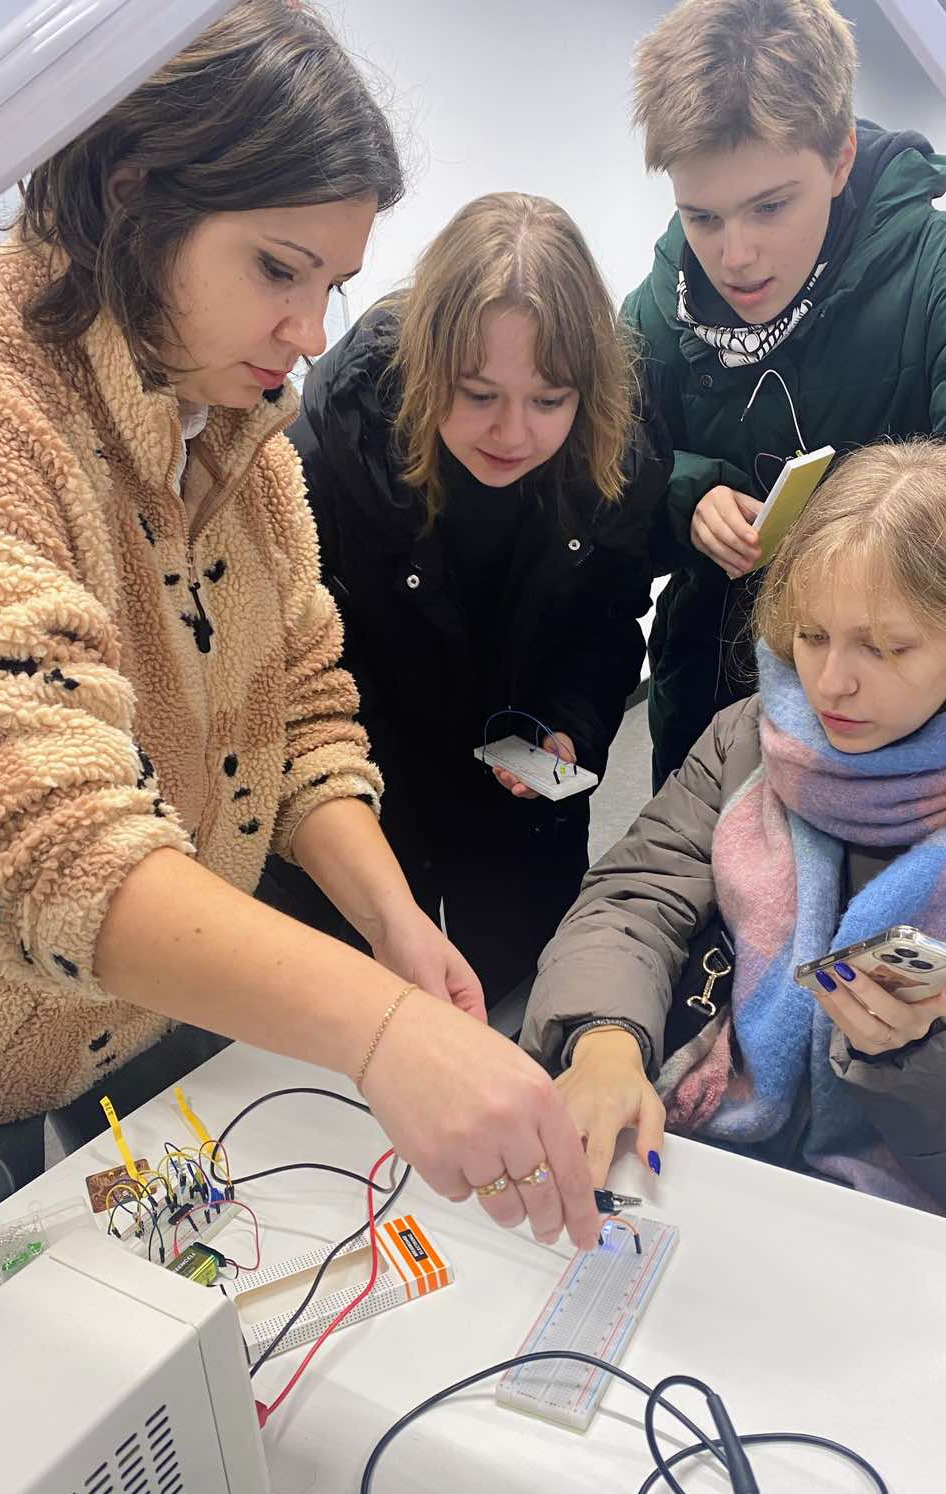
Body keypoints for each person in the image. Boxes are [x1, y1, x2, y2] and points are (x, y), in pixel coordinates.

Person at [0, 2, 600, 1253]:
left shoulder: (244, 445)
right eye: (278, 269)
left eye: (331, 285)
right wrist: (381, 1029)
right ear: (134, 197)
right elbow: (27, 823)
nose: (310, 333)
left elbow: (304, 713)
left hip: (160, 1028)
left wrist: (391, 923)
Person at [521, 439, 946, 1260]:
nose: (829, 684)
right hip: (697, 1158)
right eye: (812, 634)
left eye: (885, 647)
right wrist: (605, 1037)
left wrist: (922, 1048)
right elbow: (634, 898)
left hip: (896, 1236)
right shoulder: (751, 738)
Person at [623, 0, 946, 787]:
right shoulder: (659, 306)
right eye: (702, 216)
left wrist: (851, 542)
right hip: (710, 697)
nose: (735, 255)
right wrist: (687, 497)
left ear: (839, 158)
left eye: (770, 206)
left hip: (906, 709)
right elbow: (608, 478)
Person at [274, 193, 670, 1003]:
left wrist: (570, 723)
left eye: (550, 400)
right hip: (361, 792)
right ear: (425, 365)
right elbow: (295, 685)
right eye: (479, 394)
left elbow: (606, 619)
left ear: (588, 390)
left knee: (522, 994)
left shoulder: (618, 453)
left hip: (519, 796)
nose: (513, 433)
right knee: (369, 1014)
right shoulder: (320, 457)